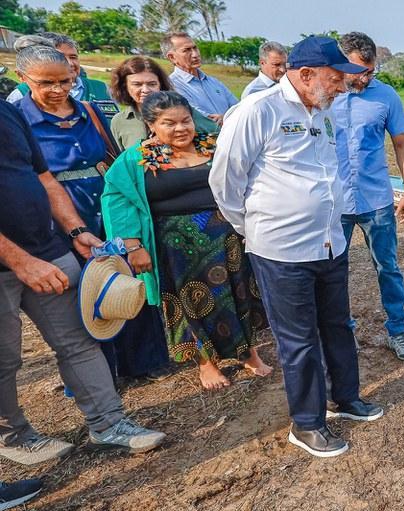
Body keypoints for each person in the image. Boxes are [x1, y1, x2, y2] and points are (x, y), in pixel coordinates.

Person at [210, 36, 384, 458]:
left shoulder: (321, 112)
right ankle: (306, 424)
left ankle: (346, 398)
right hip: (282, 251)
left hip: (329, 243)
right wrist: (255, 229)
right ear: (305, 75)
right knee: (299, 339)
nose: (342, 86)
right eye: (336, 78)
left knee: (338, 325)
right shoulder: (257, 111)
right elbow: (225, 181)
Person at [0, 99, 166, 466]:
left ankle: (108, 424)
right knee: (4, 359)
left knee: (80, 338)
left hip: (46, 248)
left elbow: (42, 177)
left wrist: (75, 229)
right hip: (13, 263)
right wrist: (21, 261)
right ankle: (15, 436)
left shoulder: (5, 111)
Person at [14, 41, 171, 382]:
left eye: (64, 81)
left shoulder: (90, 110)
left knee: (125, 281)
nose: (57, 90)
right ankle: (102, 374)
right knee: (85, 294)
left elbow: (112, 158)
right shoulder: (18, 121)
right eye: (46, 83)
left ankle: (144, 362)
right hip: (61, 212)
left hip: (105, 204)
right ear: (23, 78)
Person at [102, 91, 273, 390]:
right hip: (176, 248)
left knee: (240, 295)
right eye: (170, 123)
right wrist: (133, 245)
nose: (181, 129)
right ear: (151, 124)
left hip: (227, 240)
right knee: (189, 304)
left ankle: (249, 353)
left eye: (186, 121)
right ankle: (206, 362)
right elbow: (117, 200)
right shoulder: (136, 160)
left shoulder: (212, 147)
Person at [332, 32, 404, 361]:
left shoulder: (386, 97)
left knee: (388, 267)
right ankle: (343, 331)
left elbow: (402, 145)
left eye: (371, 71)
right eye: (359, 72)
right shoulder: (323, 96)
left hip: (376, 200)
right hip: (333, 202)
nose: (366, 79)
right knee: (334, 272)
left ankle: (398, 329)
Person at [109, 56, 220, 151]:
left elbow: (219, 135)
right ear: (125, 87)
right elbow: (123, 160)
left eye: (152, 84)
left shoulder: (184, 112)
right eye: (137, 84)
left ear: (160, 85)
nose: (145, 90)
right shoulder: (119, 122)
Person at [7, 33, 111, 104]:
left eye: (73, 57)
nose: (69, 63)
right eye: (61, 57)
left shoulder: (102, 89)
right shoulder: (22, 93)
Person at [163, 32, 238, 125]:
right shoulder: (172, 86)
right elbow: (203, 119)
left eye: (195, 48)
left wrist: (226, 118)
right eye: (187, 50)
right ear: (172, 57)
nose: (195, 54)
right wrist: (229, 118)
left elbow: (239, 108)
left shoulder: (213, 82)